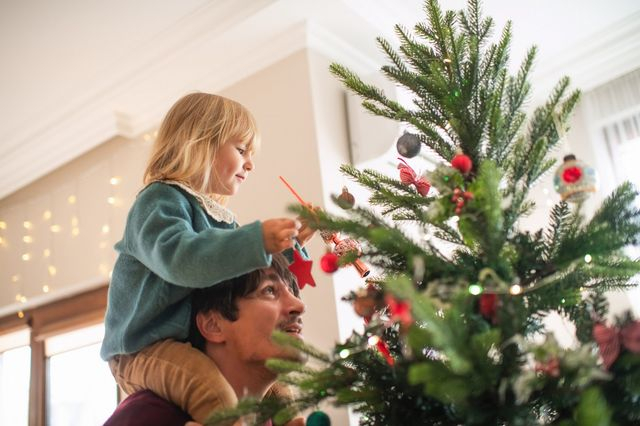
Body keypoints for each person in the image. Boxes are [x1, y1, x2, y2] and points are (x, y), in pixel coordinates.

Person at [100, 93, 314, 423]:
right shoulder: (158, 201)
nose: (250, 163)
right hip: (144, 348)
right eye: (241, 150)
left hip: (188, 343)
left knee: (284, 398)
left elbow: (245, 281)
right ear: (199, 144)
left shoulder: (221, 218)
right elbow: (181, 259)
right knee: (214, 396)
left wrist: (291, 244)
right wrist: (257, 239)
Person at [104, 254, 306, 426]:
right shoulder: (149, 415)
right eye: (269, 290)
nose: (299, 305)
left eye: (291, 291)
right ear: (213, 325)